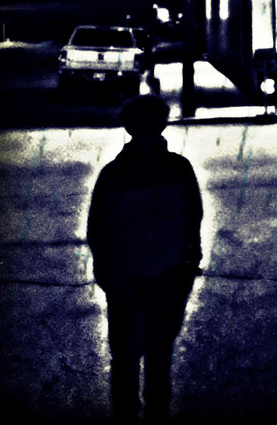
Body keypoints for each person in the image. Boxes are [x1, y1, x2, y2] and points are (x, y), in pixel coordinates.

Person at [87, 95, 204, 421]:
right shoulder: (177, 169)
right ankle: (153, 413)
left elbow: (99, 232)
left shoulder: (114, 174)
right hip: (158, 278)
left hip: (138, 280)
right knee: (156, 354)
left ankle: (135, 413)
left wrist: (112, 277)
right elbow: (193, 221)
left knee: (131, 357)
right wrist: (186, 268)